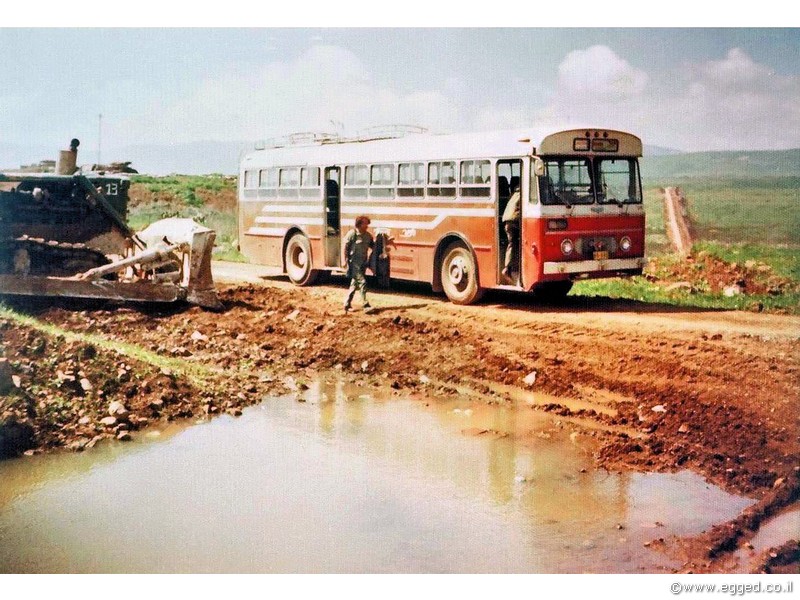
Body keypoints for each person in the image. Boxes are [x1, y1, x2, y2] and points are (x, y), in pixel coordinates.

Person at [342, 215, 375, 313]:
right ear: (359, 224)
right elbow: (344, 246)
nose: (367, 225)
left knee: (354, 284)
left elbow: (373, 246)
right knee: (362, 282)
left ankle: (347, 304)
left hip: (362, 263)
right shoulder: (352, 234)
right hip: (354, 263)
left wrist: (385, 243)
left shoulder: (368, 236)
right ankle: (365, 305)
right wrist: (344, 260)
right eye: (365, 223)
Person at [501, 180, 520, 278]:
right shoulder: (524, 194)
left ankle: (509, 267)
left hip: (507, 221)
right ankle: (511, 268)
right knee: (519, 243)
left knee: (512, 243)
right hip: (514, 221)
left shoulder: (514, 193)